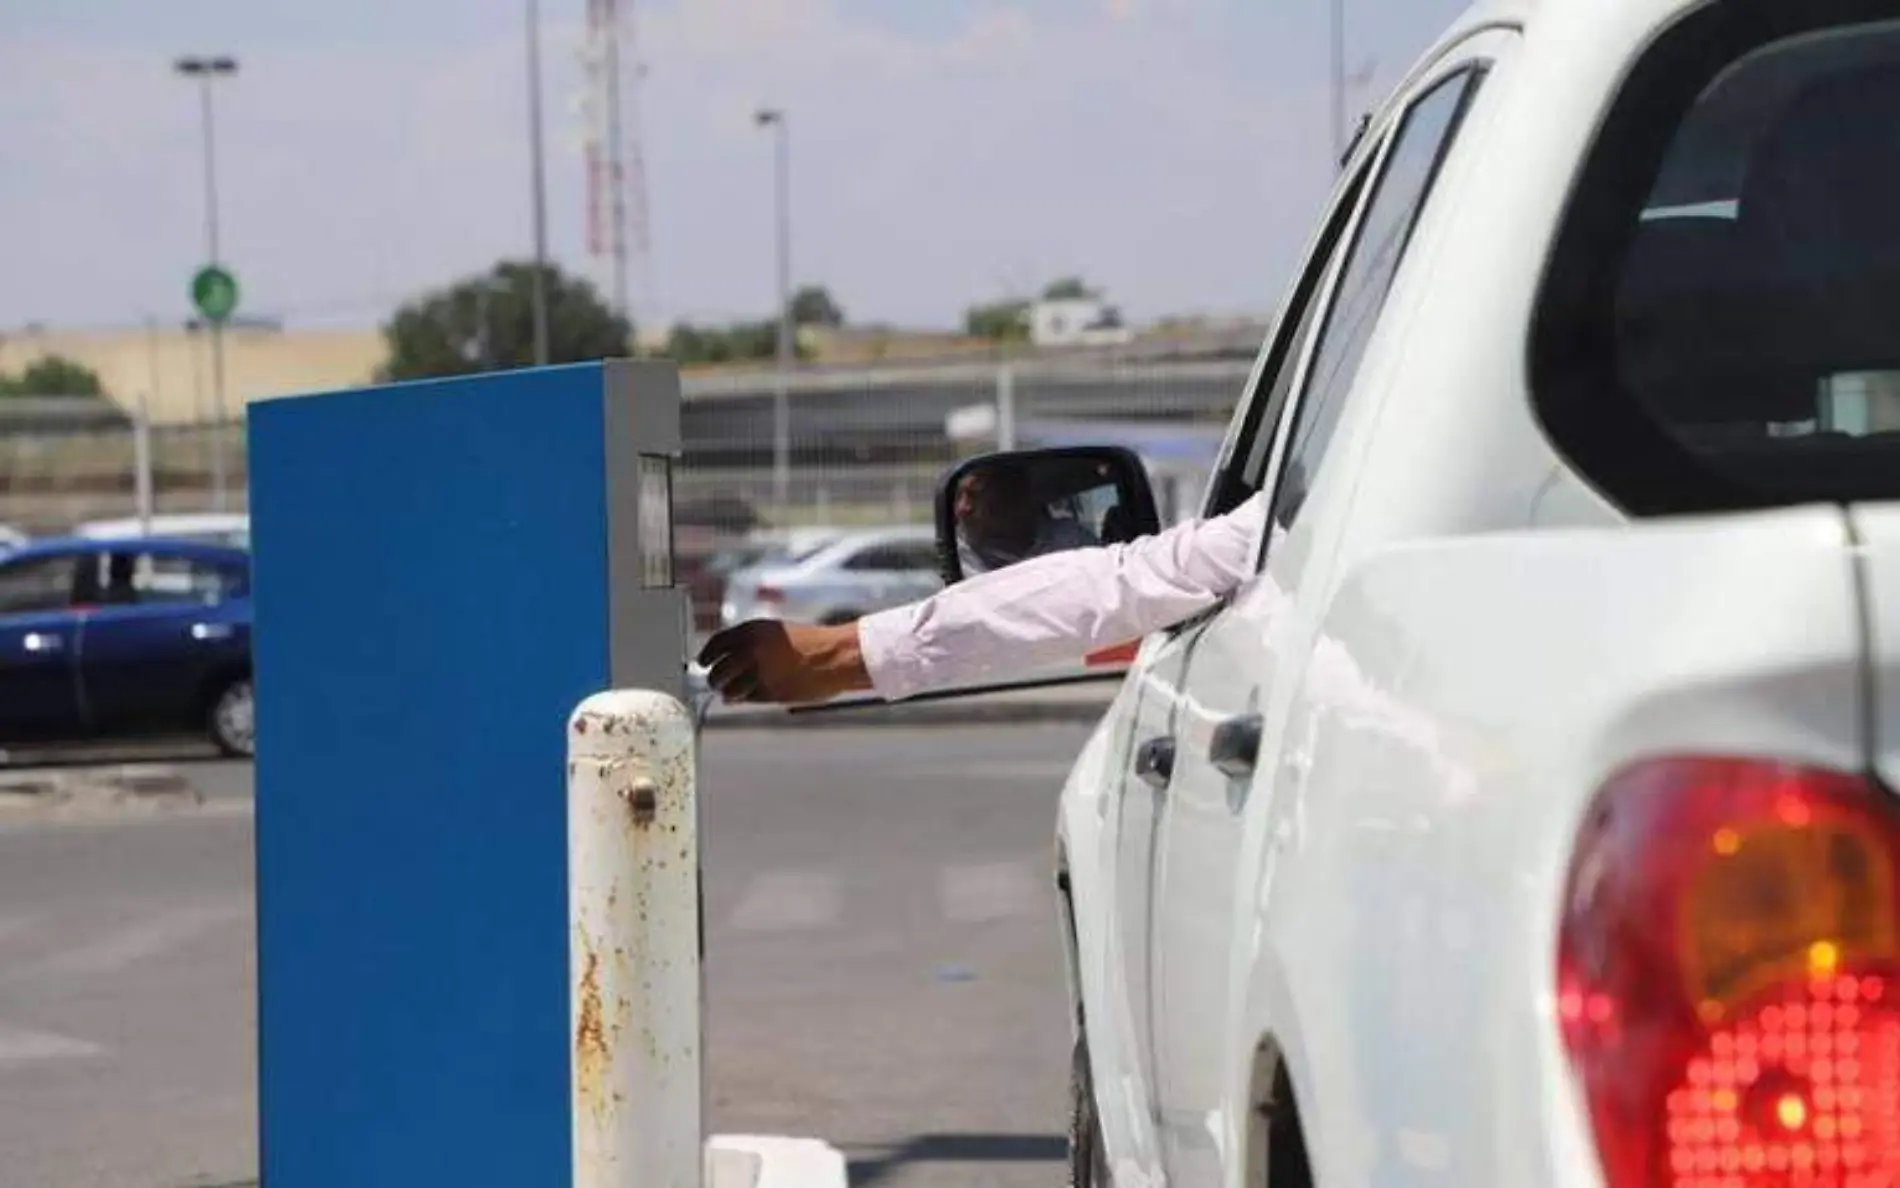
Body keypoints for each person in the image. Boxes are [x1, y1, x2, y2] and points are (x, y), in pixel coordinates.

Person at [699, 486, 1271, 705]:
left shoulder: (1312, 501)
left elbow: (1131, 583)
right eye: (962, 501)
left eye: (983, 497)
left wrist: (845, 654)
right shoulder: (1323, 498)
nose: (965, 512)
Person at [953, 462, 1099, 576]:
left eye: (974, 495)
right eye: (957, 497)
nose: (962, 508)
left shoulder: (1071, 542)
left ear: (1012, 496)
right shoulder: (961, 557)